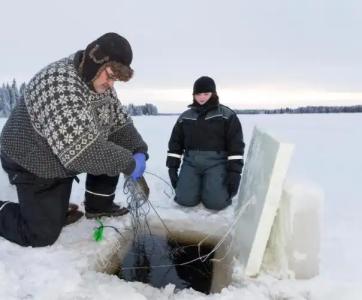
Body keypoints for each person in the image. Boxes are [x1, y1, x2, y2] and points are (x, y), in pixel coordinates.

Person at [0, 32, 148, 247]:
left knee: (114, 149)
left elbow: (117, 121)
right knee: (41, 234)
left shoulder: (97, 81)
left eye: (116, 79)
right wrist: (129, 162)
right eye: (110, 75)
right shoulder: (59, 84)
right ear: (95, 62)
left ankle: (97, 205)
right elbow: (82, 153)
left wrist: (138, 149)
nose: (111, 84)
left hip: (58, 156)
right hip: (29, 159)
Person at [166, 76, 244, 210]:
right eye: (198, 94)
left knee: (217, 203)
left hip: (217, 163)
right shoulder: (185, 117)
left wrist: (234, 173)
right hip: (191, 162)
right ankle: (195, 186)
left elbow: (235, 148)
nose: (201, 97)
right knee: (184, 200)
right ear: (193, 95)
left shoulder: (227, 115)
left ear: (213, 94)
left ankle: (211, 189)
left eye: (206, 94)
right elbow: (175, 144)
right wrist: (172, 168)